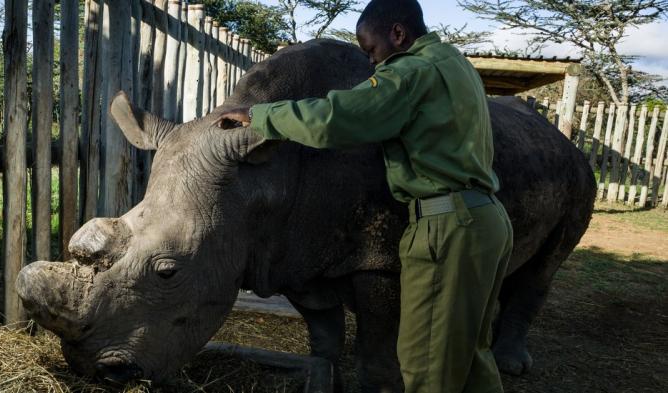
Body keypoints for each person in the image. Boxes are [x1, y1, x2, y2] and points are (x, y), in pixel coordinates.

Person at [218, 0, 513, 391]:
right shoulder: (454, 64)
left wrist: (261, 116)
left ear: (397, 34)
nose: (372, 63)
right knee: (470, 356)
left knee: (426, 363)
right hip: (486, 219)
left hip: (447, 227)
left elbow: (341, 117)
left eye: (371, 50)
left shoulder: (412, 71)